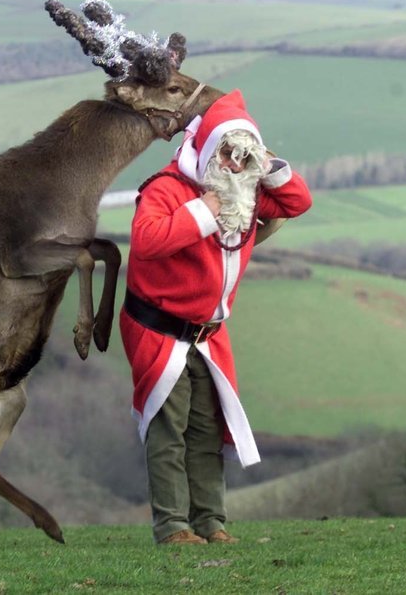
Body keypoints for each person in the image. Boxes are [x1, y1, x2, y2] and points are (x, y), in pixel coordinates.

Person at [120, 90, 312, 545]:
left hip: (209, 335)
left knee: (208, 431)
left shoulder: (245, 190)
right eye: (226, 151)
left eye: (242, 154)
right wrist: (202, 212)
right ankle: (172, 528)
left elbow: (297, 202)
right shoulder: (166, 188)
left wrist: (265, 163)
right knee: (169, 429)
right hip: (159, 329)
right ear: (207, 148)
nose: (232, 163)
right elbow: (147, 241)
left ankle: (211, 523)